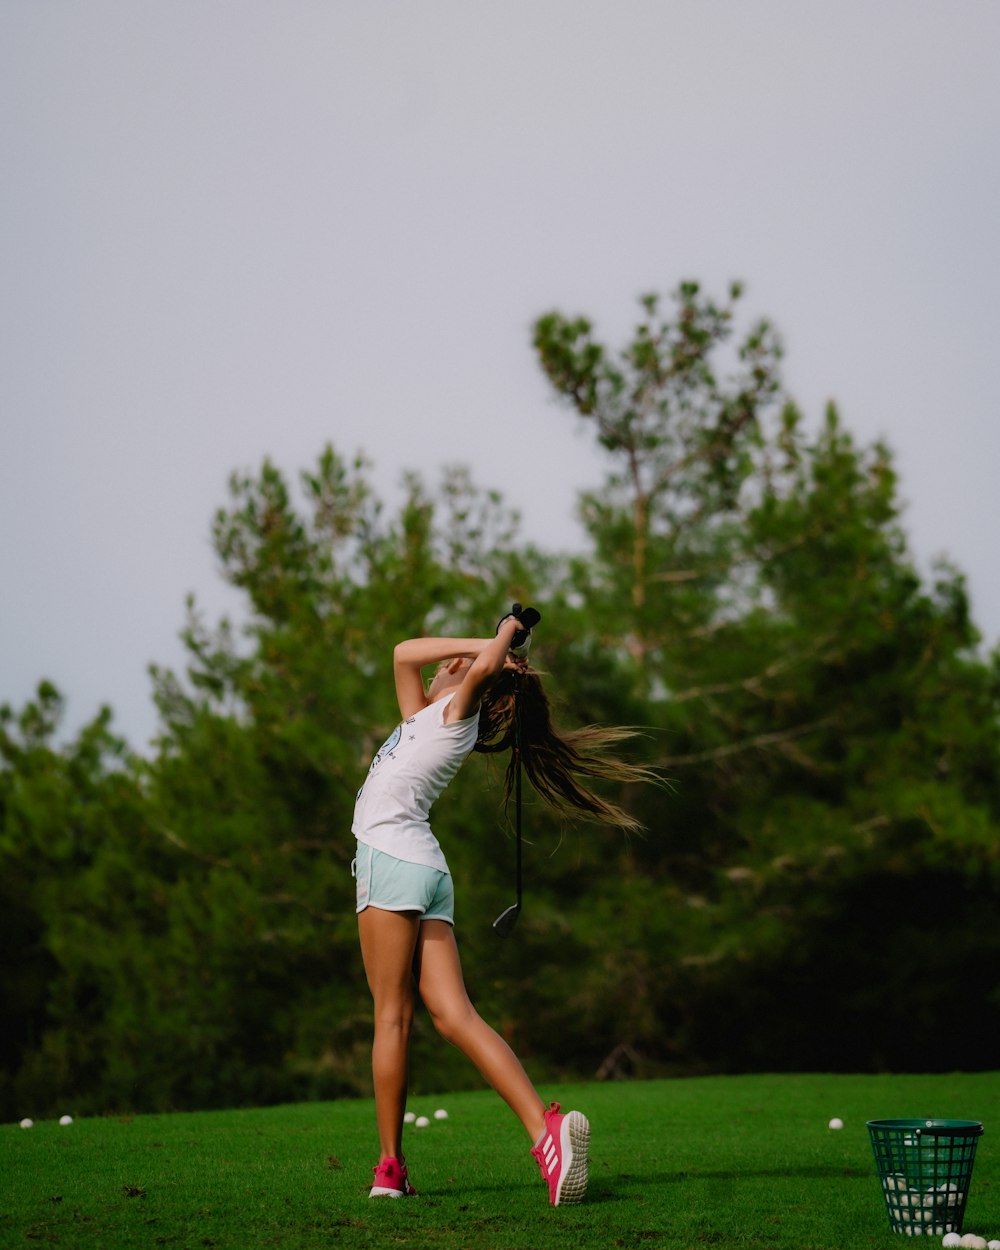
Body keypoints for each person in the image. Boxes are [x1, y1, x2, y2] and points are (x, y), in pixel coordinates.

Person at [352, 608, 656, 1205]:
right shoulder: (423, 717)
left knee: (392, 1018)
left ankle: (390, 1169)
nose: (444, 664)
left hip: (390, 861)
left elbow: (468, 663)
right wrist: (485, 644)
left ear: (477, 686)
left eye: (456, 667)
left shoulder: (454, 716)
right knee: (454, 1016)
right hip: (425, 868)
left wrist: (497, 644)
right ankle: (546, 1132)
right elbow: (402, 650)